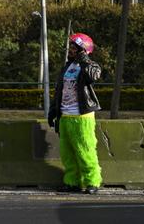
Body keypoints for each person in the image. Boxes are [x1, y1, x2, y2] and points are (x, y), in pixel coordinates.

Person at [47, 33, 102, 194]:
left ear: (82, 50)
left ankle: (92, 181)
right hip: (65, 117)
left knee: (85, 150)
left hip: (81, 117)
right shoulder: (67, 67)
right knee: (68, 153)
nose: (70, 50)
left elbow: (94, 76)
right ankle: (72, 182)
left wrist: (84, 60)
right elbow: (60, 91)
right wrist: (53, 112)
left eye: (74, 47)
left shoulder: (89, 66)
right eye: (71, 47)